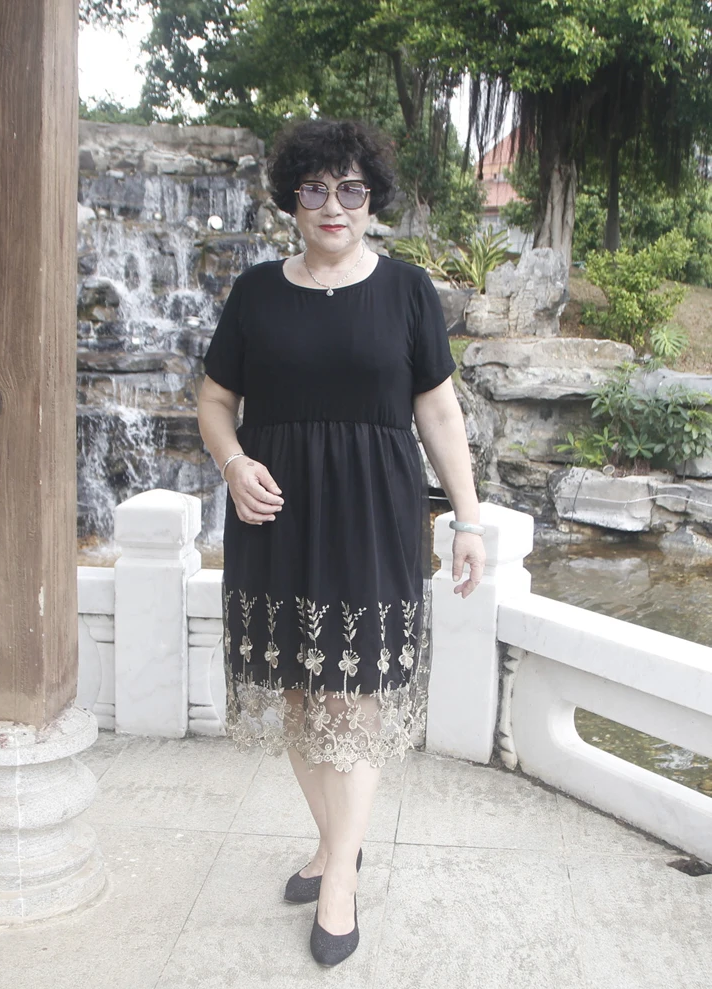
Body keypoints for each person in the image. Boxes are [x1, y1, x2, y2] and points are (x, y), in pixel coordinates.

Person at [196, 118, 485, 967]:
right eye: (316, 188)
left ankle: (338, 883)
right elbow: (214, 401)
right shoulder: (255, 292)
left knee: (351, 701)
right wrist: (233, 461)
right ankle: (334, 845)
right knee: (297, 693)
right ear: (292, 198)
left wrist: (468, 519)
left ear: (372, 200)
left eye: (351, 188)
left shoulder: (407, 291)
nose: (334, 205)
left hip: (372, 517)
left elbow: (439, 413)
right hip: (275, 516)